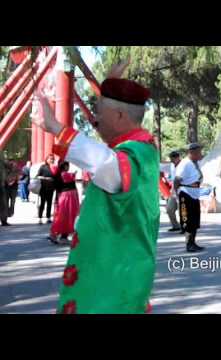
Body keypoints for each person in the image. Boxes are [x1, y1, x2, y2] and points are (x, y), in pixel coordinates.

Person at [32, 60, 160, 314]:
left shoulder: (135, 152)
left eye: (100, 111)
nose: (95, 118)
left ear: (120, 116)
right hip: (114, 277)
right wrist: (108, 89)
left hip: (112, 285)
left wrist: (56, 128)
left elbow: (108, 167)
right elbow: (105, 151)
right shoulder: (137, 146)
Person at [174, 143, 211, 252]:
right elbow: (177, 180)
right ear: (192, 152)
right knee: (188, 219)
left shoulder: (195, 163)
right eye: (199, 152)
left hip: (194, 193)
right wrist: (177, 195)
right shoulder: (185, 164)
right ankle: (188, 244)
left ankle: (193, 242)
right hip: (186, 193)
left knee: (195, 219)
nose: (201, 154)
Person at [48, 161, 80, 245]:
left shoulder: (58, 175)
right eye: (67, 166)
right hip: (69, 197)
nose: (68, 167)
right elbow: (71, 178)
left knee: (63, 216)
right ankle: (59, 235)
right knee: (68, 216)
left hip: (63, 196)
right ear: (65, 166)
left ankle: (60, 235)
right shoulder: (65, 175)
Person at [36, 154, 57, 224]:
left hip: (51, 188)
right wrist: (45, 178)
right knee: (42, 203)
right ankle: (40, 218)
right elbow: (37, 176)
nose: (51, 160)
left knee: (49, 203)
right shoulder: (43, 167)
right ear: (46, 159)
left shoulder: (55, 167)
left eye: (53, 159)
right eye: (50, 159)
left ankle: (48, 217)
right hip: (43, 187)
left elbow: (56, 177)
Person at [166, 151, 182, 232]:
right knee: (169, 209)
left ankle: (185, 227)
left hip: (182, 189)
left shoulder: (184, 165)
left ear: (178, 158)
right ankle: (176, 225)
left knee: (182, 210)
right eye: (171, 159)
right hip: (173, 190)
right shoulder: (172, 165)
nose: (171, 161)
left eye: (173, 159)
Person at [0, 153, 9, 226]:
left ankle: (4, 220)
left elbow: (10, 167)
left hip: (2, 184)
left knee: (3, 204)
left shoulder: (2, 162)